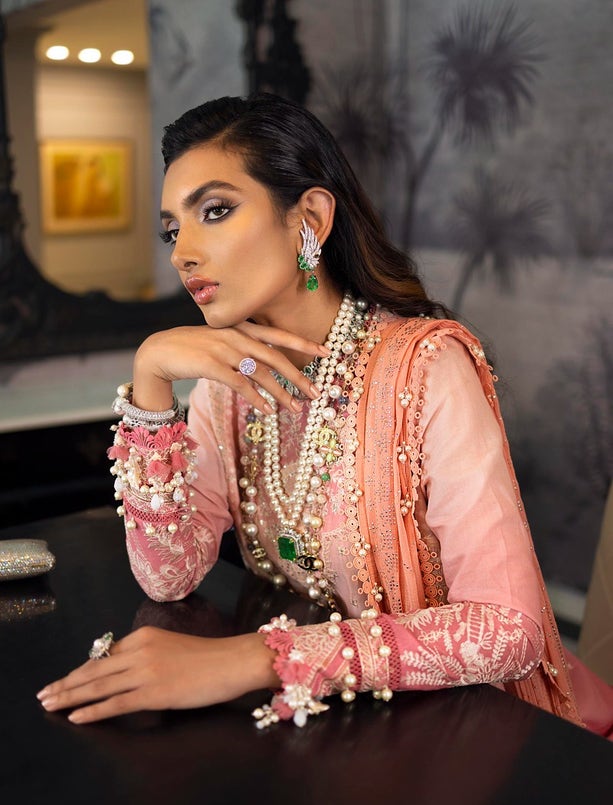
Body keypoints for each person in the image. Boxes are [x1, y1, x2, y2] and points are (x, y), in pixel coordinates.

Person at [37, 93, 613, 738]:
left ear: (309, 216)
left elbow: (509, 631)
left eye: (215, 211)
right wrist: (150, 380)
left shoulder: (426, 366)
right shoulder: (228, 385)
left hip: (477, 730)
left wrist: (254, 660)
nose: (183, 253)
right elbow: (168, 576)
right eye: (173, 230)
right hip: (341, 724)